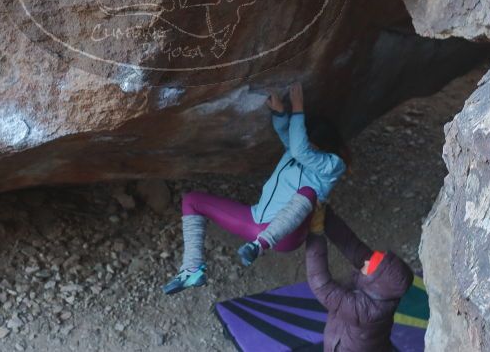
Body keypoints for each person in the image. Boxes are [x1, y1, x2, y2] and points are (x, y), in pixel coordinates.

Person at [162, 83, 349, 295]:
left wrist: (298, 108)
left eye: (311, 144)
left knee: (308, 192)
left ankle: (260, 245)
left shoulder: (332, 166)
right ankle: (191, 269)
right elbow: (292, 140)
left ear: (325, 146)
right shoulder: (296, 151)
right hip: (256, 220)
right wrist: (280, 113)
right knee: (191, 200)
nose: (306, 147)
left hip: (285, 235)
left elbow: (299, 149)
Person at [305, 205, 413, 352]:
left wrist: (315, 234)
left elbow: (323, 287)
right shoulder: (383, 289)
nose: (367, 261)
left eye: (371, 264)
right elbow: (351, 244)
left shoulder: (366, 311)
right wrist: (325, 214)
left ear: (375, 280)